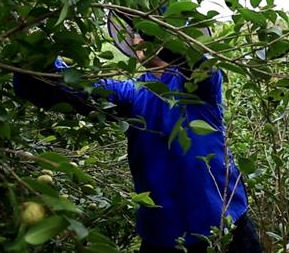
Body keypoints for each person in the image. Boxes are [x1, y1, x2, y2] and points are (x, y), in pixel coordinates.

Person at [13, 13, 261, 253]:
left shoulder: (199, 86)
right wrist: (22, 24)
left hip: (226, 226)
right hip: (163, 238)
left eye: (148, 29)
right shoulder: (133, 94)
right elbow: (60, 85)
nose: (138, 37)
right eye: (137, 32)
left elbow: (193, 58)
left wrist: (141, 14)